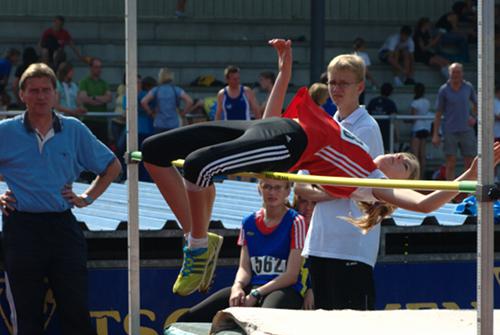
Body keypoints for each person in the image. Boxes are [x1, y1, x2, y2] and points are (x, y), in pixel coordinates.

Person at [141, 39, 495, 297]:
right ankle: (198, 239)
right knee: (154, 151)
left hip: (289, 146)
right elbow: (270, 119)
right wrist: (285, 72)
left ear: (398, 180)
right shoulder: (339, 122)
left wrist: (465, 180)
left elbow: (422, 204)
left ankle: (199, 247)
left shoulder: (370, 184)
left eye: (403, 163)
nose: (394, 156)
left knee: (198, 166)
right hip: (276, 131)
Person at [0, 63, 122, 335]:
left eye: (45, 90)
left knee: (76, 310)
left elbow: (111, 164)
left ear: (55, 94)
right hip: (22, 228)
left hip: (63, 227)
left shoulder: (74, 129)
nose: (40, 96)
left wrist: (88, 198)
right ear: (21, 94)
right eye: (33, 90)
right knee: (28, 313)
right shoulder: (6, 131)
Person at [299, 52, 384, 312]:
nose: (335, 89)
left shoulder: (367, 128)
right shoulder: (326, 125)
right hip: (321, 242)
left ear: (360, 86)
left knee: (353, 334)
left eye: (343, 83)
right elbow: (301, 186)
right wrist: (333, 189)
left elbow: (359, 187)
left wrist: (325, 189)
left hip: (351, 246)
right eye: (332, 82)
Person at [179, 177, 306, 322]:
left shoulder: (297, 221)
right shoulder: (248, 222)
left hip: (284, 291)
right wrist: (237, 287)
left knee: (261, 323)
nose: (272, 192)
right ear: (259, 189)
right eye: (267, 187)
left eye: (278, 188)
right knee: (187, 318)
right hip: (253, 287)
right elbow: (244, 268)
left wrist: (256, 294)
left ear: (287, 191)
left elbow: (291, 276)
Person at [432, 62, 477, 181]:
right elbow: (438, 113)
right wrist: (435, 134)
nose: (456, 74)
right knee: (450, 162)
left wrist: (474, 117)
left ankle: (469, 194)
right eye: (453, 72)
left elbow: (477, 104)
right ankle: (449, 194)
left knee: (470, 162)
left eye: (458, 72)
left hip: (466, 130)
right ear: (449, 73)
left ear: (462, 73)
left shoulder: (468, 87)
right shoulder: (444, 90)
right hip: (450, 130)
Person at [140, 67, 193, 133]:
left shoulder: (156, 90)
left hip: (159, 123)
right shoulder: (176, 89)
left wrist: (151, 113)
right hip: (174, 123)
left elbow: (143, 102)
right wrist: (182, 113)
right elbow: (189, 101)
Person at [78, 57, 112, 144]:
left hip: (102, 121)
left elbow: (109, 98)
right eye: (96, 67)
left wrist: (93, 97)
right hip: (88, 119)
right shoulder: (84, 82)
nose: (99, 69)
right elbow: (83, 98)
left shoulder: (104, 83)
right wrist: (101, 99)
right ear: (91, 68)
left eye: (100, 67)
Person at [367, 82, 398, 153]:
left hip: (374, 130)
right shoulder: (390, 103)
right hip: (385, 132)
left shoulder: (373, 101)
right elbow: (395, 121)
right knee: (385, 151)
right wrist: (397, 135)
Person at [410, 83, 432, 177]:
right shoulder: (427, 101)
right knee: (422, 155)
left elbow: (413, 118)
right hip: (425, 128)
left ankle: (416, 176)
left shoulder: (414, 103)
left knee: (415, 155)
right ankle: (422, 175)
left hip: (417, 128)